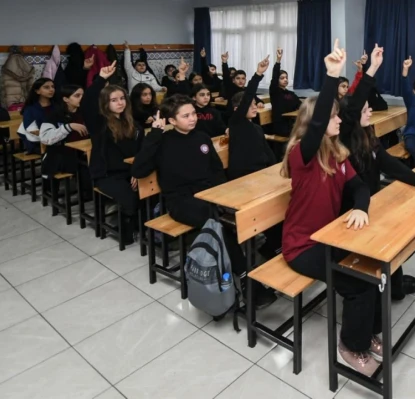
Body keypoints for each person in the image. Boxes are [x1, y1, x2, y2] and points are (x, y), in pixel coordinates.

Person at [281, 39, 383, 376]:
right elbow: (318, 122)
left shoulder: (338, 154)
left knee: (373, 269)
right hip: (302, 246)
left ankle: (369, 332)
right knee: (358, 282)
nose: (339, 121)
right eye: (333, 116)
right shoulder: (303, 156)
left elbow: (360, 187)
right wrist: (330, 76)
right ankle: (350, 346)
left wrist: (361, 207)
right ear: (318, 121)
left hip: (328, 237)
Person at [131, 94, 276, 308]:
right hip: (180, 201)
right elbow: (138, 169)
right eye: (186, 115)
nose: (192, 118)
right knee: (218, 221)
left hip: (209, 196)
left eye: (193, 114)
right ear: (171, 120)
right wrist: (154, 133)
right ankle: (246, 278)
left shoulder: (202, 137)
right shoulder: (161, 141)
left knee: (241, 210)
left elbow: (216, 171)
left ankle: (265, 255)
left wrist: (224, 196)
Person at [339, 44, 415, 300]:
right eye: (365, 110)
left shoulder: (368, 133)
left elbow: (387, 162)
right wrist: (372, 69)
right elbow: (353, 105)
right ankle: (387, 287)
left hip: (372, 198)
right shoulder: (345, 136)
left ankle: (395, 287)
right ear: (354, 115)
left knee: (395, 238)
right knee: (386, 242)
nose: (370, 112)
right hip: (353, 207)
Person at [81, 61, 144, 244]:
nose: (119, 103)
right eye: (114, 100)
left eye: (122, 98)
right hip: (108, 175)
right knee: (130, 198)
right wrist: (101, 79)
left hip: (130, 171)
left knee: (151, 192)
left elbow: (141, 151)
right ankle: (126, 233)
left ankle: (141, 226)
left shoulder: (133, 123)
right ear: (105, 103)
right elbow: (86, 103)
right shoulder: (99, 123)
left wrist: (137, 172)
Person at [226, 55, 282, 259]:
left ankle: (275, 243)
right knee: (268, 208)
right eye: (250, 105)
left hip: (260, 175)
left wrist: (278, 173)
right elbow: (248, 94)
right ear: (238, 110)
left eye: (254, 104)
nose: (254, 107)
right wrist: (258, 75)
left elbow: (268, 153)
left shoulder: (257, 128)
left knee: (282, 200)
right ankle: (273, 244)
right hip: (243, 178)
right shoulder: (236, 124)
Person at [39, 84, 91, 197]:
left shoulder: (84, 112)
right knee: (85, 165)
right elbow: (45, 137)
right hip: (61, 152)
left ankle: (89, 193)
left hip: (81, 151)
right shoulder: (55, 114)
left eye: (83, 95)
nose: (81, 98)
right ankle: (86, 193)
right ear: (66, 99)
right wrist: (68, 127)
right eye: (77, 95)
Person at [269, 48, 302, 136]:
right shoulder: (275, 91)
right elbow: (274, 77)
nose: (285, 80)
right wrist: (278, 60)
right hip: (280, 125)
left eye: (286, 77)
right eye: (282, 78)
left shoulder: (290, 93)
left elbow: (299, 103)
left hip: (290, 123)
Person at [19, 78, 55, 154]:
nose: (51, 89)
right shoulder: (30, 109)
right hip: (37, 143)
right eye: (46, 87)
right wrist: (53, 136)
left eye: (53, 87)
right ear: (37, 91)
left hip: (57, 139)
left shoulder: (57, 106)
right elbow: (32, 130)